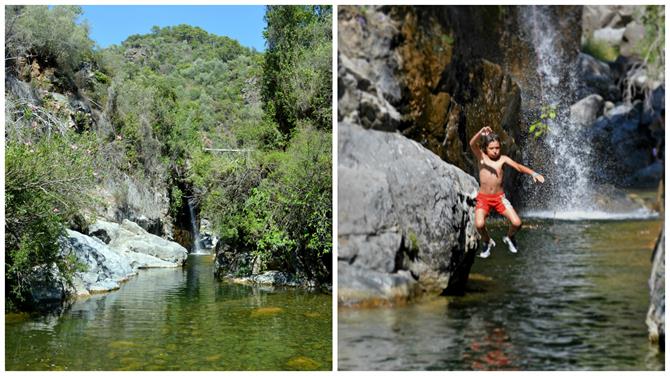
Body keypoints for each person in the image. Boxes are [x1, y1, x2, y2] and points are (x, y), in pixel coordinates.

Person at [469, 126, 545, 258]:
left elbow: (518, 167)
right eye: (491, 148)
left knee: (517, 223)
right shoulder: (481, 157)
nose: (495, 151)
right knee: (479, 224)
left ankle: (509, 237)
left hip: (499, 199)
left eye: (497, 148)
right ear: (485, 149)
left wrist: (533, 173)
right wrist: (480, 133)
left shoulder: (503, 159)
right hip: (483, 199)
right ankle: (487, 241)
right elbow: (472, 144)